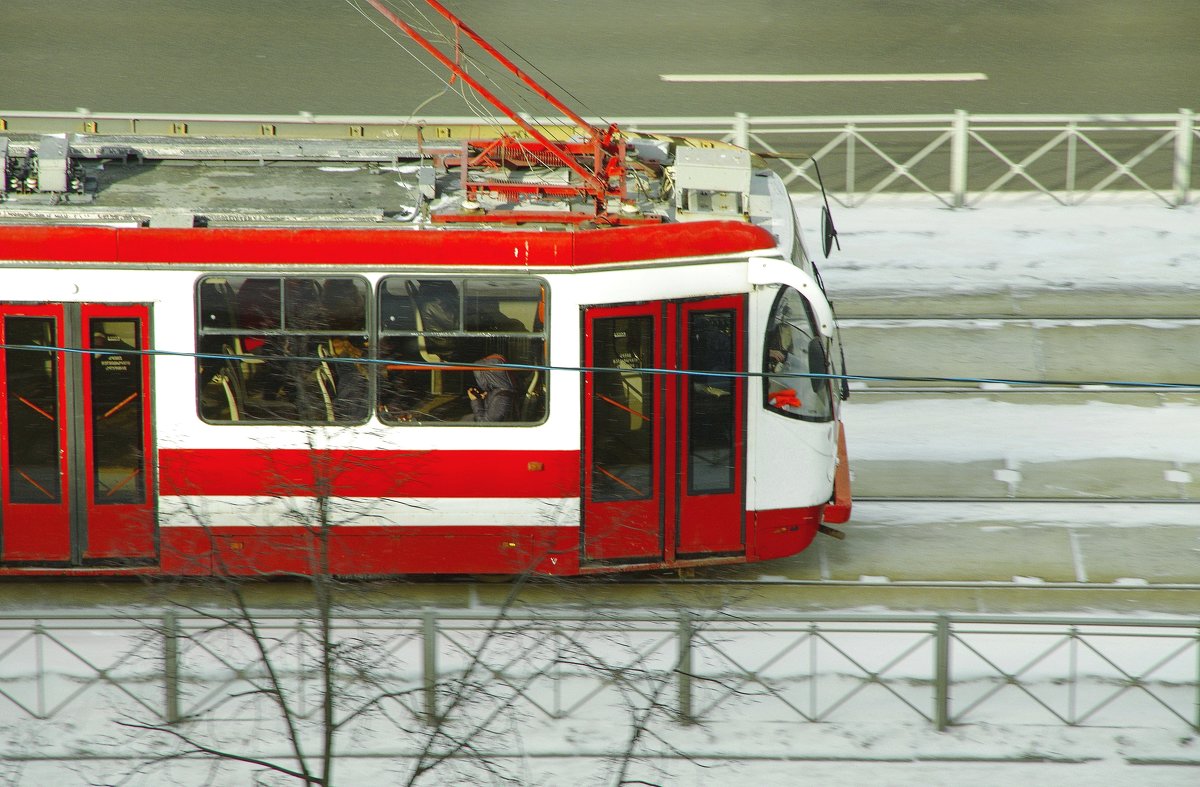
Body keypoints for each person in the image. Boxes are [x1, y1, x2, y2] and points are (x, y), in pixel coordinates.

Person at [466, 354, 516, 422]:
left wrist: (475, 400)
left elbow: (485, 424)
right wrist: (481, 399)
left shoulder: (502, 396)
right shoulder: (498, 391)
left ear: (486, 376)